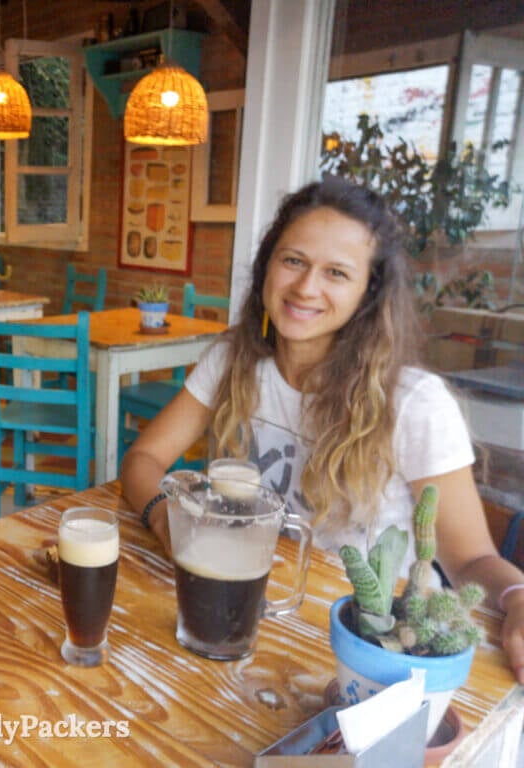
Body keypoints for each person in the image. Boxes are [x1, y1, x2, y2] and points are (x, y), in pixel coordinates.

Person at [120, 176, 524, 682]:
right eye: (293, 261)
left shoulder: (414, 403)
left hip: (368, 647)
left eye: (336, 272)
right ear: (267, 264)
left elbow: (472, 559)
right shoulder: (231, 360)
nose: (306, 287)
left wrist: (517, 598)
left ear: (367, 293)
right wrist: (165, 520)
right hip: (244, 613)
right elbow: (143, 460)